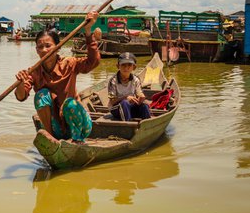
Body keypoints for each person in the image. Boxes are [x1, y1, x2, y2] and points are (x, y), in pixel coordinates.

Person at [15, 11, 101, 144]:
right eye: (40, 47)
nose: (44, 50)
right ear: (36, 50)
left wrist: (88, 31)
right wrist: (20, 83)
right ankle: (51, 138)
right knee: (41, 95)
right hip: (56, 128)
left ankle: (77, 140)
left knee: (70, 104)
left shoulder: (69, 63)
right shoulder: (34, 72)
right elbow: (21, 97)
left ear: (58, 47)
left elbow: (93, 62)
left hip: (80, 125)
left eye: (48, 46)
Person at [107, 52, 151, 121]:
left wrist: (141, 97)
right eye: (123, 65)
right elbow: (112, 101)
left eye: (129, 65)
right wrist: (125, 98)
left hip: (131, 108)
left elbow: (139, 93)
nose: (126, 68)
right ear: (118, 66)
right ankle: (127, 125)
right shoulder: (113, 81)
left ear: (134, 67)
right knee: (125, 103)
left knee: (144, 106)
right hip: (116, 109)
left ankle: (148, 126)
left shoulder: (136, 80)